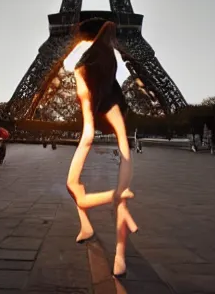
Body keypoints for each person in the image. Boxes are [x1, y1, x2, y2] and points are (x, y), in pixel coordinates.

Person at [66, 21, 138, 278]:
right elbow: (124, 147)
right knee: (116, 199)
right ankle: (105, 242)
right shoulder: (112, 100)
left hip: (112, 147)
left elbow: (88, 136)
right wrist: (119, 191)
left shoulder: (83, 77)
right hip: (121, 154)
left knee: (79, 188)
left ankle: (119, 252)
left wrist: (119, 189)